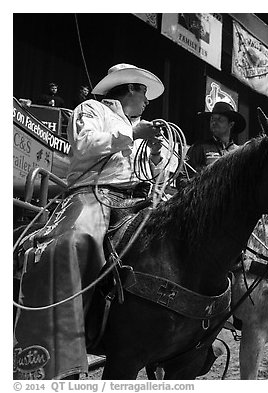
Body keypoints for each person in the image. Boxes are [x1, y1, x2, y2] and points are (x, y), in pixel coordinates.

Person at [14, 63, 167, 380]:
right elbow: (84, 145)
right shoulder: (91, 109)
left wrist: (153, 156)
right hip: (94, 192)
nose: (147, 101)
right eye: (143, 93)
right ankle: (58, 345)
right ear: (128, 89)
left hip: (138, 195)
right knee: (75, 240)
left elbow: (149, 169)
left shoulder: (136, 123)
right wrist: (131, 134)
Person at [178, 101, 246, 185]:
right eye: (212, 119)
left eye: (220, 119)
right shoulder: (199, 147)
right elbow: (182, 178)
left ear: (231, 124)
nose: (214, 122)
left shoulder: (239, 152)